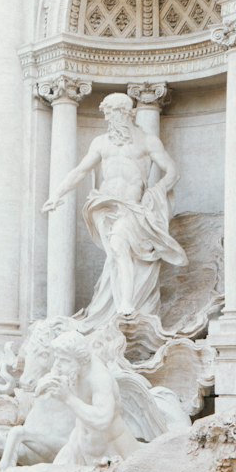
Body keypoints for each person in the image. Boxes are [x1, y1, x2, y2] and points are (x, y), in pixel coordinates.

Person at [43, 91, 186, 326]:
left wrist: (156, 191)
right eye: (107, 114)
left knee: (120, 245)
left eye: (111, 113)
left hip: (131, 206)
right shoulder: (101, 143)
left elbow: (172, 171)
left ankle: (126, 303)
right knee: (115, 255)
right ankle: (114, 304)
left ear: (125, 113)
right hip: (103, 205)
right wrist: (58, 194)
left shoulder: (147, 141)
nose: (108, 119)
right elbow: (80, 170)